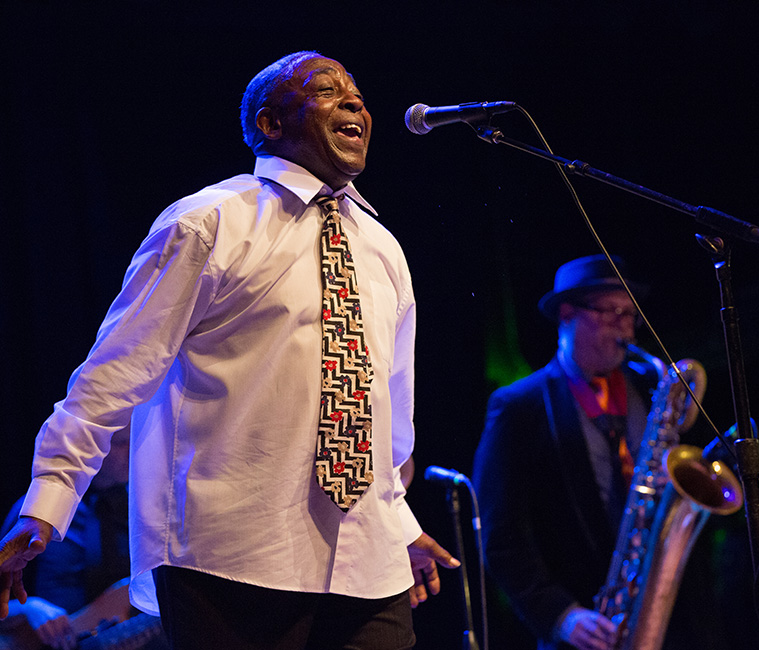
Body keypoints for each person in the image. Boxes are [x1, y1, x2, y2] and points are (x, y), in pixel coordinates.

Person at [0, 51, 457, 650]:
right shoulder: (208, 223)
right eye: (326, 90)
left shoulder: (382, 247)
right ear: (270, 123)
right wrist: (48, 500)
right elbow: (113, 376)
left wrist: (398, 521)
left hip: (367, 563)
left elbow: (387, 419)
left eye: (358, 94)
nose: (354, 102)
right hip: (233, 557)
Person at [472, 254, 727, 650]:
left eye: (630, 314)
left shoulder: (650, 388)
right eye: (610, 311)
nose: (625, 326)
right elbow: (502, 537)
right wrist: (560, 616)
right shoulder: (519, 406)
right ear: (567, 314)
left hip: (679, 620)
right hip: (590, 623)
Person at [0, 427, 165, 650]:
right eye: (120, 443)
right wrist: (29, 608)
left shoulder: (148, 511)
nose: (132, 452)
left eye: (135, 441)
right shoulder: (37, 511)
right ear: (92, 446)